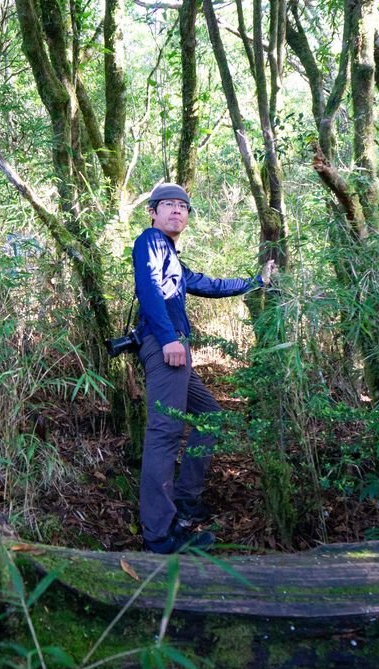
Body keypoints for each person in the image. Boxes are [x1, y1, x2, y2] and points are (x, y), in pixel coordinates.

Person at [132, 183, 276, 554]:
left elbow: (207, 285)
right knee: (165, 433)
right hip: (167, 345)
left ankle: (185, 500)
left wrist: (255, 281)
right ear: (153, 212)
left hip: (175, 346)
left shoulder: (173, 259)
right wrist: (168, 339)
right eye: (168, 205)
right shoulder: (150, 240)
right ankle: (159, 534)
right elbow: (148, 287)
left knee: (210, 416)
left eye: (183, 207)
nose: (177, 211)